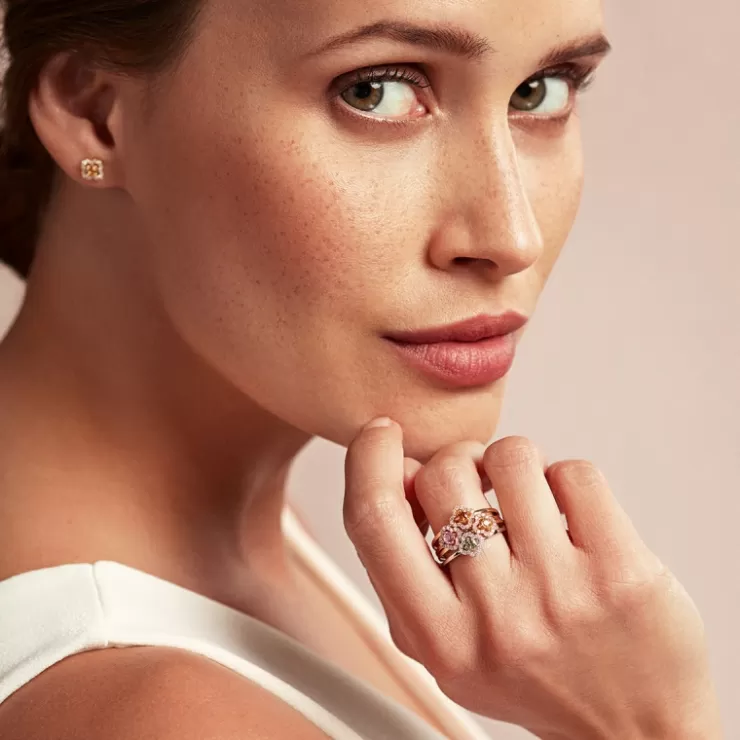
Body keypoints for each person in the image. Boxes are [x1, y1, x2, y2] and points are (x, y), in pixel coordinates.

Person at [0, 0, 725, 737]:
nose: (511, 236)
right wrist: (649, 722)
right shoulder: (161, 714)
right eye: (375, 90)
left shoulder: (228, 540)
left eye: (542, 90)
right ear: (94, 115)